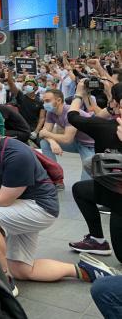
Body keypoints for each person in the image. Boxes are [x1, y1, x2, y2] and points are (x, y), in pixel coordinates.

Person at [0, 115, 116, 296]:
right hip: (18, 205)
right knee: (22, 270)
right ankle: (84, 270)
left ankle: (3, 278)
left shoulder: (16, 153)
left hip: (41, 207)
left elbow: (5, 198)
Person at [67, 81, 122, 259]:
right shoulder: (106, 126)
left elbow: (73, 116)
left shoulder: (105, 128)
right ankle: (97, 240)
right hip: (114, 197)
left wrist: (78, 93)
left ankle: (98, 240)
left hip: (116, 200)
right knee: (81, 189)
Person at [39, 89, 96, 180]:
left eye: (47, 101)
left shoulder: (70, 112)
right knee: (44, 142)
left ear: (59, 100)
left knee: (85, 182)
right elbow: (43, 133)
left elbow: (67, 139)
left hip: (91, 145)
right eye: (44, 101)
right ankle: (55, 177)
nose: (45, 104)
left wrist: (47, 134)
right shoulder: (51, 112)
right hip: (76, 142)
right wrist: (52, 141)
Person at [6, 73, 45, 144]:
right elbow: (11, 84)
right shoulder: (21, 97)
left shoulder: (40, 101)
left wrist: (36, 132)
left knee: (43, 145)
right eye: (26, 84)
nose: (27, 86)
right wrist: (9, 73)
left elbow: (42, 118)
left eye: (30, 84)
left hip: (34, 129)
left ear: (36, 87)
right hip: (22, 129)